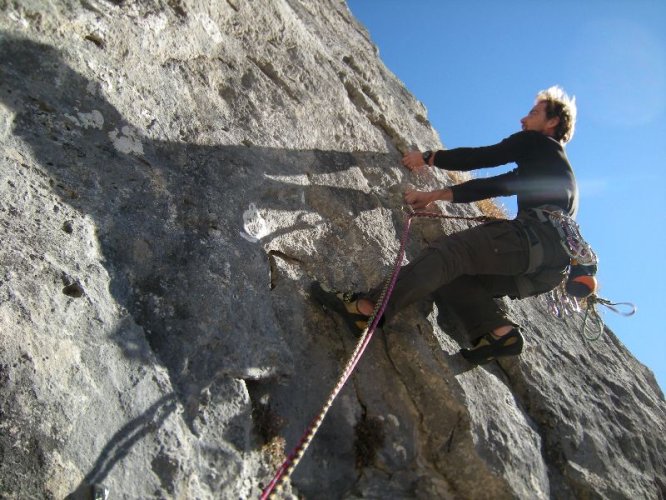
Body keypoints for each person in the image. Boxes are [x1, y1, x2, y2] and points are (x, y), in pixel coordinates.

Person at [312, 86, 579, 364]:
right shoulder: (551, 167)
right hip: (548, 270)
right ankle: (500, 332)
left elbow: (483, 157)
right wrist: (436, 195)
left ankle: (366, 309)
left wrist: (428, 157)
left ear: (552, 122)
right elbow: (494, 185)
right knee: (454, 277)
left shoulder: (537, 143)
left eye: (534, 113)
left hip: (528, 241)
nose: (523, 120)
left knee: (447, 255)